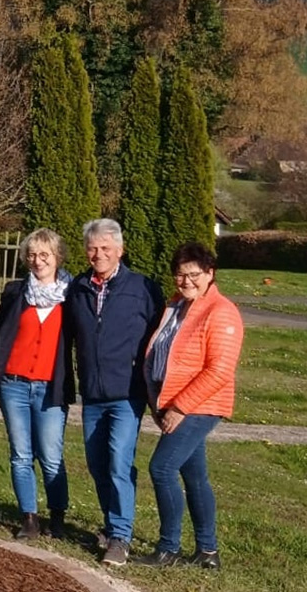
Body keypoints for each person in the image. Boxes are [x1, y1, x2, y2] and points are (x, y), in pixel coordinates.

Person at [137, 242, 243, 571]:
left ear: (210, 274)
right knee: (194, 476)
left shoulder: (221, 311)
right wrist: (157, 399)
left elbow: (219, 370)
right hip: (176, 402)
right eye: (180, 275)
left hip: (201, 406)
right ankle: (207, 552)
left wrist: (179, 408)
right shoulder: (177, 306)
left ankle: (168, 548)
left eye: (193, 274)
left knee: (162, 468)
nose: (186, 281)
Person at [64, 218, 163, 566]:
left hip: (127, 394)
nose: (98, 254)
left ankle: (120, 537)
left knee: (120, 463)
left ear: (120, 251)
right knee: (98, 464)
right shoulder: (77, 288)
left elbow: (158, 338)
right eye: (92, 248)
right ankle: (111, 523)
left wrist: (154, 385)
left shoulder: (142, 288)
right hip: (92, 393)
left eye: (106, 248)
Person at [0, 228, 72, 540]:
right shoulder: (14, 292)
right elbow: (0, 334)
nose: (38, 261)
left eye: (45, 255)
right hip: (15, 384)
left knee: (50, 455)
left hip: (50, 387)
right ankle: (29, 518)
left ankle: (58, 516)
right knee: (21, 454)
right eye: (33, 255)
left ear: (57, 257)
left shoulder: (71, 295)